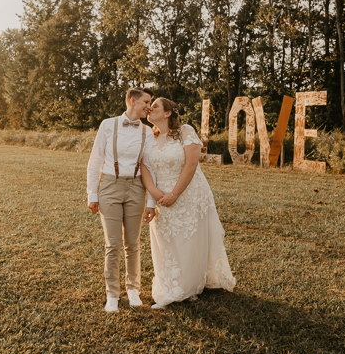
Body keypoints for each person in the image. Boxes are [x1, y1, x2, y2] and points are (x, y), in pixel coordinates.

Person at [139, 97, 236, 309]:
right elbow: (144, 166)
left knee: (187, 238)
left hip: (188, 193)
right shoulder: (149, 137)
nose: (149, 108)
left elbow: (192, 163)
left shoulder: (185, 131)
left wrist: (174, 193)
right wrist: (155, 192)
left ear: (167, 113)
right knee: (165, 238)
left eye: (154, 106)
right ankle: (169, 282)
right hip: (161, 197)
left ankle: (186, 286)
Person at [87, 88, 158, 312]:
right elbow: (95, 159)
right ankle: (112, 294)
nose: (149, 106)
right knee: (113, 244)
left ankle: (133, 290)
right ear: (133, 101)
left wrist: (151, 202)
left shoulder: (147, 132)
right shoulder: (108, 125)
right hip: (110, 186)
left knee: (133, 244)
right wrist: (92, 193)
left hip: (136, 187)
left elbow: (150, 167)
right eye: (147, 102)